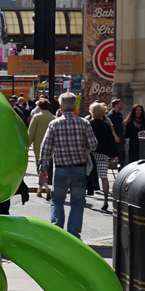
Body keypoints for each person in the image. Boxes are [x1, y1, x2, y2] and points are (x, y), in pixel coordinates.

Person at [38, 92, 98, 239]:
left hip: (61, 169)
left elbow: (45, 148)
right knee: (77, 202)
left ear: (61, 107)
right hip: (79, 167)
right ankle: (73, 235)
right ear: (75, 106)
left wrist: (43, 168)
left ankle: (57, 233)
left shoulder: (54, 124)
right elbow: (93, 145)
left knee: (57, 200)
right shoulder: (84, 123)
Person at [89, 102, 119, 211]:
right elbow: (111, 141)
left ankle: (84, 195)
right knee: (104, 177)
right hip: (103, 154)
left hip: (91, 153)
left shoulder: (89, 124)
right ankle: (106, 199)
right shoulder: (106, 125)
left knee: (85, 174)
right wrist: (114, 155)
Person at [28, 98, 55, 200]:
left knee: (39, 169)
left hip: (39, 148)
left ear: (39, 107)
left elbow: (31, 133)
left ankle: (47, 188)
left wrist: (27, 145)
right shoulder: (53, 118)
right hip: (51, 148)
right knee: (46, 169)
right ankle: (40, 189)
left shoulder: (36, 117)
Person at [108, 99, 125, 168]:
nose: (122, 105)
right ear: (116, 105)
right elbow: (111, 127)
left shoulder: (119, 114)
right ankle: (116, 165)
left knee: (122, 153)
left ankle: (121, 166)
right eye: (120, 104)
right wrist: (115, 136)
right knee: (116, 153)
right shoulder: (111, 114)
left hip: (121, 136)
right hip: (115, 136)